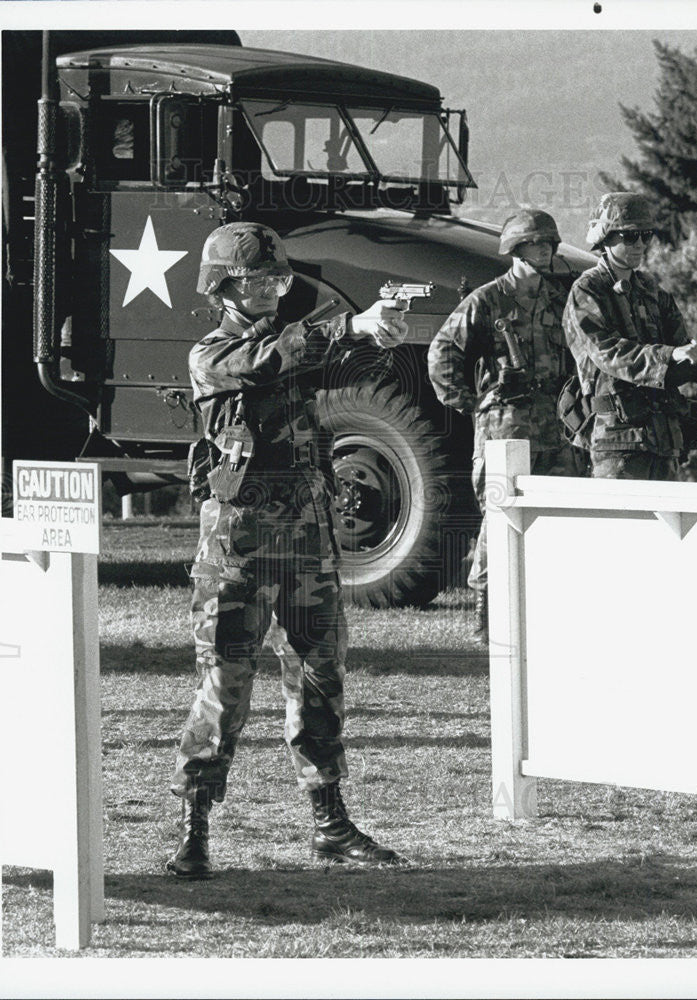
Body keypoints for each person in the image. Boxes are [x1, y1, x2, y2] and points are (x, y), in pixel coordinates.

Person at [168, 221, 409, 878]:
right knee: (227, 688)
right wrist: (352, 327)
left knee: (320, 682)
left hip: (306, 544)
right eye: (259, 280)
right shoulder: (211, 354)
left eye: (278, 279)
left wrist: (379, 330)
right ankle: (192, 827)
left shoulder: (290, 340)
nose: (273, 289)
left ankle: (330, 824)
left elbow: (333, 358)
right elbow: (273, 360)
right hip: (238, 550)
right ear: (224, 285)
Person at [427, 208, 581, 644]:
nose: (546, 250)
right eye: (536, 243)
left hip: (556, 427)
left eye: (550, 243)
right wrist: (472, 404)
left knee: (555, 519)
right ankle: (487, 617)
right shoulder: (487, 299)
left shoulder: (559, 299)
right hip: (505, 429)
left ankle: (544, 618)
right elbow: (442, 355)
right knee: (499, 522)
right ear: (515, 249)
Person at [562, 192, 697, 481]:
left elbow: (679, 347)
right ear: (605, 238)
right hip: (618, 440)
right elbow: (608, 353)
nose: (640, 244)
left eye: (645, 235)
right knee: (619, 525)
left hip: (664, 438)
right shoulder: (587, 290)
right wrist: (668, 355)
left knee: (669, 525)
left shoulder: (652, 290)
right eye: (629, 236)